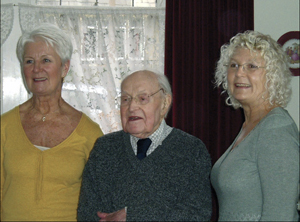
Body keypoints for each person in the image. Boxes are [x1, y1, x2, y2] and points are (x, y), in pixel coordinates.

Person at [77, 70, 212, 221]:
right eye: (125, 99)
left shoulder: (191, 150)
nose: (132, 107)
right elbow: (87, 214)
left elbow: (197, 213)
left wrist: (132, 216)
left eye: (142, 98)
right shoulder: (104, 148)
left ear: (165, 103)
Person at [0, 23, 103, 221]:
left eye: (45, 60)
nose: (36, 69)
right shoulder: (4, 126)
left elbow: (101, 197)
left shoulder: (89, 132)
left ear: (65, 67)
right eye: (29, 61)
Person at [210, 30, 299, 221]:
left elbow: (281, 215)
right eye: (234, 65)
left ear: (272, 76)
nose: (239, 72)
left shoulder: (275, 129)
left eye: (251, 66)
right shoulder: (250, 125)